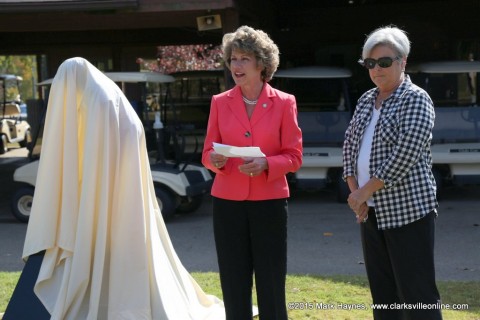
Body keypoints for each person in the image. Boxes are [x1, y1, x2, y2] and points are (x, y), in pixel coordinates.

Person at [21, 57, 225, 320]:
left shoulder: (100, 103)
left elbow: (91, 153)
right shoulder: (109, 96)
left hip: (113, 190)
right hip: (127, 193)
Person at [202, 26, 303, 320]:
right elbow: (207, 153)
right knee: (233, 279)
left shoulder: (285, 102)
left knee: (271, 280)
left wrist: (267, 164)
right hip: (227, 202)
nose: (236, 65)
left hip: (269, 202)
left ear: (262, 63)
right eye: (233, 59)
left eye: (244, 58)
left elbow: (294, 157)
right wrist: (215, 161)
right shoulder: (219, 102)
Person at [343, 26, 443, 320]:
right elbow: (349, 147)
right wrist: (355, 194)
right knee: (383, 296)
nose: (376, 69)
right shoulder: (365, 99)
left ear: (403, 62)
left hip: (408, 213)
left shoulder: (415, 98)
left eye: (384, 62)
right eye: (370, 64)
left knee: (418, 296)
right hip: (370, 212)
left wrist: (364, 191)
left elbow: (405, 154)